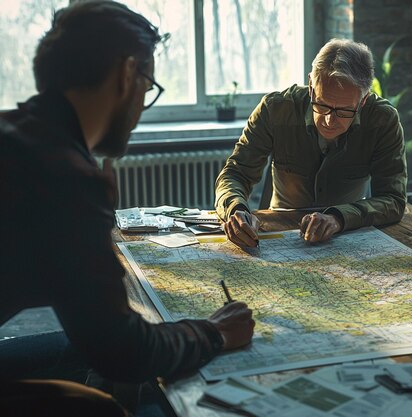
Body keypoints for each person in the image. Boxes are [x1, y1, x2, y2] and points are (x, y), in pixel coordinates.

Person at [0, 1, 254, 415]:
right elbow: (126, 351)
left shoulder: (16, 135)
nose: (141, 106)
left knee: (80, 353)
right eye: (148, 85)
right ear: (127, 74)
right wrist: (215, 333)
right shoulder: (67, 178)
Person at [215, 39, 407, 247]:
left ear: (363, 101)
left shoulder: (383, 120)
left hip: (347, 233)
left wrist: (338, 218)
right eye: (322, 105)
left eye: (344, 111)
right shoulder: (276, 109)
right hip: (279, 229)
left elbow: (393, 200)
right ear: (311, 87)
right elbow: (235, 174)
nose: (329, 120)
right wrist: (236, 211)